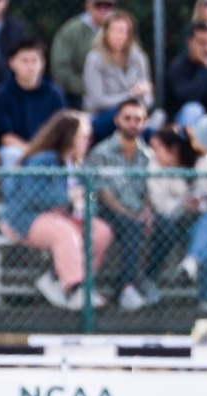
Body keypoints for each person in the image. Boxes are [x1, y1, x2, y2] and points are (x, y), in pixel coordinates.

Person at [0, 109, 113, 310]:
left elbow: (92, 195)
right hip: (26, 218)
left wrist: (87, 206)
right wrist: (69, 197)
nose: (87, 142)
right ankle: (75, 289)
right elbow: (31, 195)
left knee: (101, 231)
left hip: (63, 217)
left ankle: (60, 279)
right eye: (82, 137)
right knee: (62, 231)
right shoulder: (44, 159)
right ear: (69, 137)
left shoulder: (79, 166)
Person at [146, 124, 207, 311]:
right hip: (177, 222)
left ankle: (192, 262)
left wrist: (204, 201)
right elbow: (160, 204)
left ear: (174, 149)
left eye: (157, 148)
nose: (152, 153)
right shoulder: (154, 166)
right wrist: (183, 204)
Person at [85, 98, 155, 310]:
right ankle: (127, 287)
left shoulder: (149, 156)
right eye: (128, 118)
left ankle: (146, 281)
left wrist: (147, 211)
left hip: (136, 212)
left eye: (138, 119)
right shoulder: (101, 152)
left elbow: (150, 190)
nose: (133, 123)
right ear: (117, 120)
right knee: (132, 226)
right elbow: (104, 193)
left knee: (168, 225)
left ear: (145, 122)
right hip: (106, 210)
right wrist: (131, 215)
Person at [0, 37, 65, 168]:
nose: (30, 66)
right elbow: (6, 137)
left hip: (48, 149)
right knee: (11, 155)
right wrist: (30, 151)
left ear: (43, 63)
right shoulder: (1, 95)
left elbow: (60, 130)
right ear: (11, 63)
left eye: (35, 60)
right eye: (24, 61)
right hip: (16, 150)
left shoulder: (54, 94)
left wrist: (41, 150)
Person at [82, 10, 152, 144]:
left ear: (129, 35)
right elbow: (97, 100)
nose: (118, 35)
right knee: (126, 120)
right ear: (105, 32)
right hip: (102, 116)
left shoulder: (139, 57)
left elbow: (148, 99)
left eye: (122, 31)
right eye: (114, 30)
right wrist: (129, 96)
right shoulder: (94, 59)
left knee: (153, 132)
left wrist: (144, 95)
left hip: (135, 115)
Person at [52, 0, 114, 108]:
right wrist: (90, 88)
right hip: (79, 95)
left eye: (108, 6)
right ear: (88, 5)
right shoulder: (71, 30)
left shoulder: (121, 29)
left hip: (116, 93)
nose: (103, 10)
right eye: (98, 5)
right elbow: (61, 69)